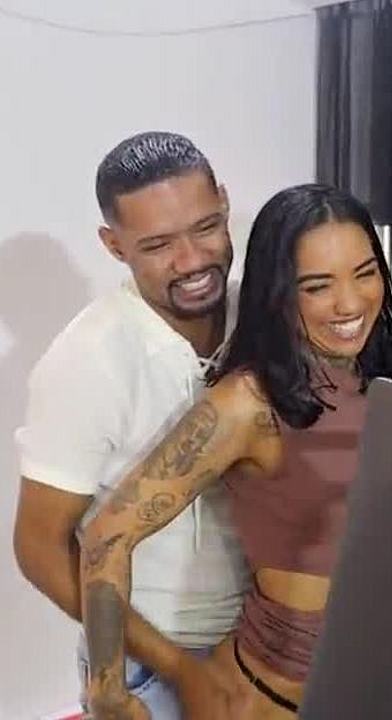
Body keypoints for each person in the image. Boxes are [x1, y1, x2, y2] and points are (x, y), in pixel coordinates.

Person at [77, 183, 392, 719]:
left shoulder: (381, 381)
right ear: (279, 293)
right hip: (261, 700)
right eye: (317, 286)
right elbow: (105, 534)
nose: (350, 303)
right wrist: (107, 690)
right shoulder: (246, 403)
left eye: (365, 273)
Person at [13, 131, 250, 718]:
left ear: (224, 202)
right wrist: (178, 668)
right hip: (149, 664)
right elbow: (38, 547)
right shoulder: (86, 361)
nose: (192, 260)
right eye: (159, 245)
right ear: (114, 245)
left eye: (205, 227)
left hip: (262, 647)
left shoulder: (261, 315)